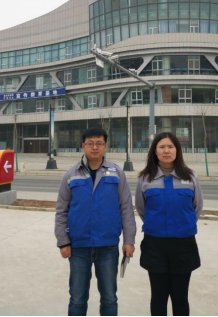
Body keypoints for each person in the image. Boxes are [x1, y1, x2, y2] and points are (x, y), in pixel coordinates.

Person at [55, 128, 137, 317]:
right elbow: (61, 211)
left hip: (107, 246)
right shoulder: (71, 174)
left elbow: (126, 208)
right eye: (90, 143)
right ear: (83, 146)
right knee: (77, 299)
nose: (94, 147)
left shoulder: (116, 173)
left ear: (105, 146)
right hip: (78, 247)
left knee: (109, 298)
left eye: (99, 143)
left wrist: (129, 240)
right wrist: (63, 241)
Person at [135, 132, 204, 317]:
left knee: (180, 297)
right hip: (155, 245)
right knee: (158, 296)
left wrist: (183, 225)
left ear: (177, 150)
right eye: (162, 147)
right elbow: (141, 208)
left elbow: (197, 207)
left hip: (184, 245)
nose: (166, 151)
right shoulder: (145, 178)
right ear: (155, 151)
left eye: (170, 147)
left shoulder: (190, 177)